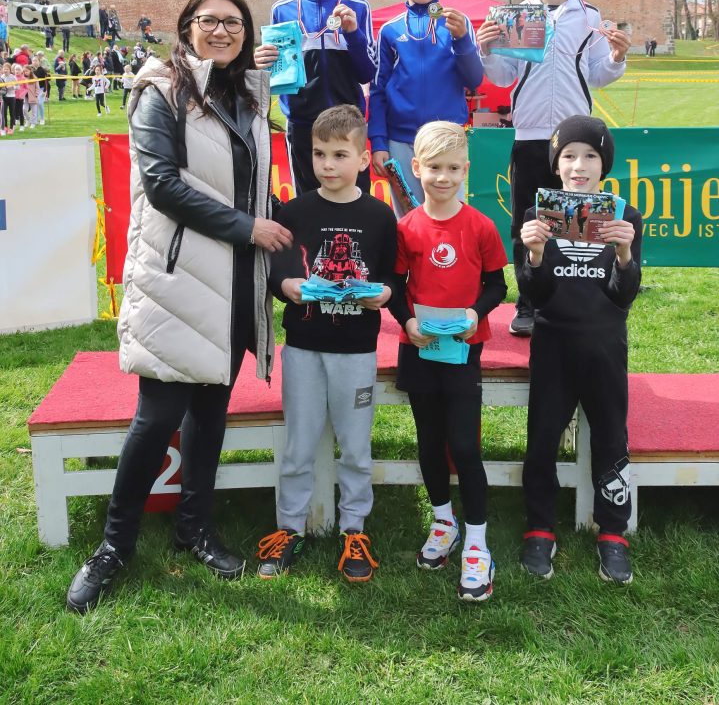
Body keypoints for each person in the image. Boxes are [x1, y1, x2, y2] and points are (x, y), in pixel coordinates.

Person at [66, 0, 293, 614]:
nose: (222, 31)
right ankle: (114, 546)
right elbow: (161, 184)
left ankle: (195, 529)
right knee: (158, 415)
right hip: (177, 276)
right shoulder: (159, 88)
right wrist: (248, 228)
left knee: (211, 409)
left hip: (235, 279)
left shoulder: (249, 94)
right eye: (209, 21)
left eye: (234, 23)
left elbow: (252, 181)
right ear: (187, 26)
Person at [257, 104, 396, 582]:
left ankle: (354, 528)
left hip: (356, 351)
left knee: (355, 446)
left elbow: (393, 275)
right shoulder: (295, 211)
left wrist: (384, 293)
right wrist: (287, 286)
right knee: (298, 443)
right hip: (304, 348)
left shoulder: (379, 216)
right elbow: (275, 268)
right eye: (319, 154)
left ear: (363, 158)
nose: (327, 165)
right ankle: (289, 527)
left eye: (339, 155)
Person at [476, 0, 631, 338]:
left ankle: (572, 296)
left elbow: (596, 75)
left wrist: (616, 57)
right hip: (529, 135)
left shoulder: (589, 16)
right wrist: (486, 49)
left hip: (573, 139)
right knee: (528, 222)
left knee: (576, 221)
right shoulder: (516, 16)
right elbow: (504, 75)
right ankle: (528, 303)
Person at [518, 116, 642, 585]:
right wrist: (533, 255)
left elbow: (624, 296)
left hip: (605, 343)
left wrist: (625, 255)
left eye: (590, 156)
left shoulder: (625, 216)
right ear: (556, 165)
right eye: (568, 156)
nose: (579, 166)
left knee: (611, 437)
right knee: (542, 438)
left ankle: (612, 532)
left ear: (603, 164)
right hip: (553, 342)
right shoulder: (536, 216)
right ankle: (539, 527)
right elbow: (535, 294)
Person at [389, 121, 507, 601]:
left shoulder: (480, 226)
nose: (443, 177)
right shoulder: (406, 227)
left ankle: (477, 543)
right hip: (419, 348)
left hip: (463, 349)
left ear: (466, 170)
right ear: (416, 168)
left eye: (453, 168)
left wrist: (474, 314)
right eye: (434, 167)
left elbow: (498, 285)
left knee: (464, 445)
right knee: (429, 442)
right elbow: (396, 286)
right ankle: (444, 522)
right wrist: (407, 321)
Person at [254, 0, 377, 195]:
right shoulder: (281, 10)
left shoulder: (358, 7)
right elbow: (276, 78)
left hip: (348, 126)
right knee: (309, 203)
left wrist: (353, 34)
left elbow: (367, 73)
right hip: (302, 126)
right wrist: (263, 64)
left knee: (354, 201)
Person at [369, 0, 484, 213]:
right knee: (408, 218)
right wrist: (379, 142)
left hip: (447, 140)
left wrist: (462, 40)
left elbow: (474, 80)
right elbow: (378, 90)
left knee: (449, 216)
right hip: (401, 142)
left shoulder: (458, 24)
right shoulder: (390, 30)